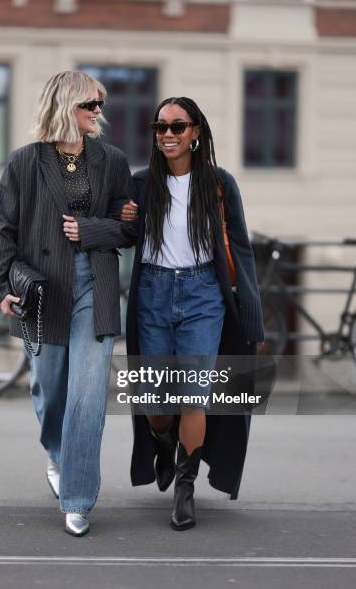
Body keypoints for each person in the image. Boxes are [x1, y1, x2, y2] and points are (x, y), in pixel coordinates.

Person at [0, 70, 136, 537]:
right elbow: (3, 231)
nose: (98, 113)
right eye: (89, 104)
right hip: (43, 289)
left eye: (100, 104)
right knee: (49, 390)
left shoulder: (112, 161)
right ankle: (57, 453)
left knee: (88, 395)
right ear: (65, 105)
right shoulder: (24, 162)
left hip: (96, 284)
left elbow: (130, 229)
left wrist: (90, 230)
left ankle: (77, 497)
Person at [123, 96, 264, 531]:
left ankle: (186, 488)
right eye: (160, 127)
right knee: (156, 405)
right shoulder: (140, 184)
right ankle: (164, 445)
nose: (167, 134)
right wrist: (122, 218)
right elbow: (124, 237)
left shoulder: (219, 183)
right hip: (152, 293)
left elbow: (240, 249)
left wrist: (252, 312)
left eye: (177, 126)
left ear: (196, 132)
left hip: (204, 294)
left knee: (192, 397)